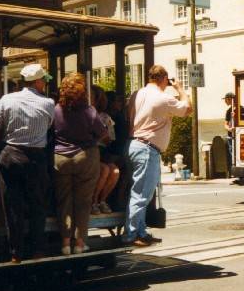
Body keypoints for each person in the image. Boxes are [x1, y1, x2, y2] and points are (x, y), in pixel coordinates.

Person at [0, 63, 55, 263]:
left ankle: (16, 252)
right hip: (35, 157)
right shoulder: (48, 103)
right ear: (39, 81)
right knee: (37, 204)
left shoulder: (7, 99)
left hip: (11, 154)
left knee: (12, 205)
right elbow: (49, 125)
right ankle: (38, 250)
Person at [124, 65, 191, 247]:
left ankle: (141, 230)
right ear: (163, 79)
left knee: (139, 191)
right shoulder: (163, 97)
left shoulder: (137, 94)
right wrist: (180, 89)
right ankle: (131, 234)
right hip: (147, 148)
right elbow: (187, 109)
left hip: (133, 144)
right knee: (141, 194)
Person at [52, 74, 106, 255]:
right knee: (83, 203)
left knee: (64, 201)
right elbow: (101, 132)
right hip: (86, 157)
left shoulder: (56, 110)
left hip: (60, 158)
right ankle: (80, 244)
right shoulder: (89, 111)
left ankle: (65, 243)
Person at [91, 85, 119, 215]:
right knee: (104, 170)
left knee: (115, 171)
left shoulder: (105, 117)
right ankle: (93, 201)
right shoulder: (86, 113)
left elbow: (110, 138)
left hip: (101, 152)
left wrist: (104, 137)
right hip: (90, 151)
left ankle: (102, 200)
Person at [222, 92, 244, 167]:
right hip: (231, 135)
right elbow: (225, 124)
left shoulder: (241, 109)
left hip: (239, 135)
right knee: (232, 152)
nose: (225, 101)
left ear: (230, 99)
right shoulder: (228, 111)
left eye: (226, 99)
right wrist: (229, 129)